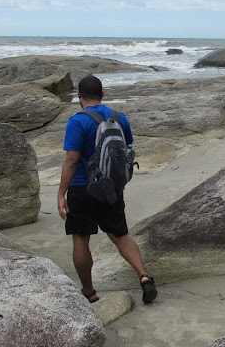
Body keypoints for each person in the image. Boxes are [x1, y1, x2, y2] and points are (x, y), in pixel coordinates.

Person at [57, 74, 157, 304]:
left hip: (82, 189)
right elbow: (128, 148)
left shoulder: (77, 121)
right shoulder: (118, 117)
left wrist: (61, 194)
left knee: (81, 239)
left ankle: (89, 292)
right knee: (121, 235)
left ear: (78, 96)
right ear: (102, 94)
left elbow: (71, 160)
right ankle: (143, 276)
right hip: (111, 187)